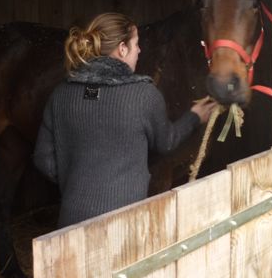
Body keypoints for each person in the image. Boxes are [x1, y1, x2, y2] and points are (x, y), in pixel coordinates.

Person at [33, 12, 216, 228]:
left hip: (70, 221)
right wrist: (194, 116)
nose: (139, 50)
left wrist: (76, 182)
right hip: (125, 222)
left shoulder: (61, 93)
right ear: (122, 48)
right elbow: (166, 142)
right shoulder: (143, 94)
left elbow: (42, 158)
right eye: (136, 44)